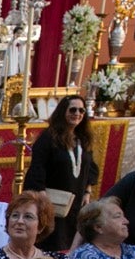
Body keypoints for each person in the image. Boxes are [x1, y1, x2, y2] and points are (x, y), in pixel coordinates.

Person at [23, 96, 97, 249]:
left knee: (71, 238)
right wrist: (42, 195)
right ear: (63, 111)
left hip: (76, 198)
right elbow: (38, 167)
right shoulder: (49, 137)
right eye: (73, 110)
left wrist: (87, 192)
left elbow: (90, 166)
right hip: (53, 200)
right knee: (53, 238)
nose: (77, 113)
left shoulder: (83, 139)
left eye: (81, 110)